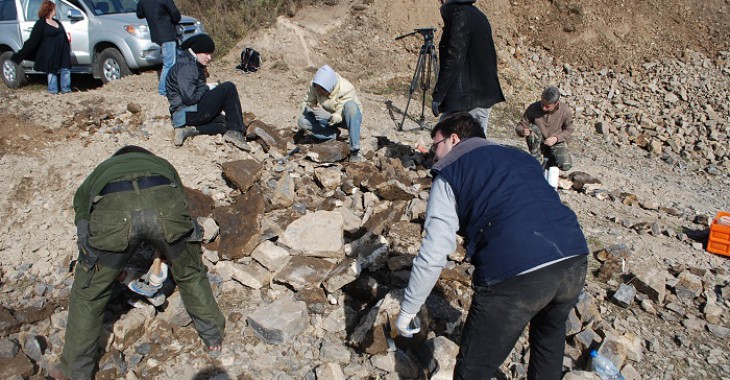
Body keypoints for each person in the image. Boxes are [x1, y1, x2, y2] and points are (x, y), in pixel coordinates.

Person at [396, 113, 588, 379]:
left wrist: (408, 308)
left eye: (435, 145)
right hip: (573, 256)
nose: (433, 155)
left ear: (453, 139)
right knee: (547, 346)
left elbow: (434, 252)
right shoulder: (519, 156)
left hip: (517, 270)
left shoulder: (451, 171)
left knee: (474, 368)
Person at [56, 146, 225, 379]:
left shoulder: (102, 170)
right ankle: (213, 335)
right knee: (191, 274)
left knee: (89, 294)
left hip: (115, 212)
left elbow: (82, 210)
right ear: (146, 156)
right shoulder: (162, 164)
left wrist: (89, 247)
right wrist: (174, 247)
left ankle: (76, 371)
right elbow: (179, 201)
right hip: (164, 206)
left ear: (117, 159)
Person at [430, 0, 505, 135]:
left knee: (471, 143)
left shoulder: (461, 17)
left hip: (470, 97)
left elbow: (454, 58)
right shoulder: (478, 15)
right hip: (476, 94)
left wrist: (439, 95)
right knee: (445, 137)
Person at [165, 34, 251, 150]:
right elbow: (190, 98)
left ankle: (188, 131)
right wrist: (206, 88)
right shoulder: (188, 68)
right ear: (196, 52)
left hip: (184, 115)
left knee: (226, 121)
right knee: (228, 88)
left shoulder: (191, 63)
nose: (209, 57)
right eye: (206, 53)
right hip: (186, 113)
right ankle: (236, 132)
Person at [297, 64, 364, 162]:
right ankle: (330, 134)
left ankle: (355, 150)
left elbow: (340, 114)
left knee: (351, 107)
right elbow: (306, 102)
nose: (319, 92)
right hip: (327, 116)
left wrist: (330, 117)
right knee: (303, 122)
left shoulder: (347, 88)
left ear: (330, 87)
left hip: (347, 118)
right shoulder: (315, 85)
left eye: (322, 91)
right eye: (317, 90)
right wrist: (311, 108)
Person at [11, 0, 71, 94]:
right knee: (52, 71)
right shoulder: (41, 23)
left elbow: (63, 35)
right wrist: (19, 55)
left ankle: (66, 90)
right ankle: (53, 92)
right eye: (54, 9)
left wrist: (67, 46)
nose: (56, 10)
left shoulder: (57, 22)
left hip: (63, 51)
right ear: (49, 9)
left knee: (66, 69)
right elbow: (32, 41)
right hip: (50, 53)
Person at [515, 86, 574, 171]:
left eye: (547, 106)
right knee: (533, 129)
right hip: (538, 141)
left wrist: (556, 138)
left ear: (556, 104)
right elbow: (520, 126)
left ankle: (549, 163)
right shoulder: (533, 108)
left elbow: (569, 129)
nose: (543, 107)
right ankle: (536, 162)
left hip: (555, 142)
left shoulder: (564, 110)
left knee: (566, 164)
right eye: (542, 104)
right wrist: (522, 131)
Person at [136, 0, 182, 96]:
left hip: (156, 34)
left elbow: (139, 14)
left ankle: (176, 85)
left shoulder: (143, 1)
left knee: (174, 60)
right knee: (169, 63)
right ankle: (163, 90)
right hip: (167, 33)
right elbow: (176, 16)